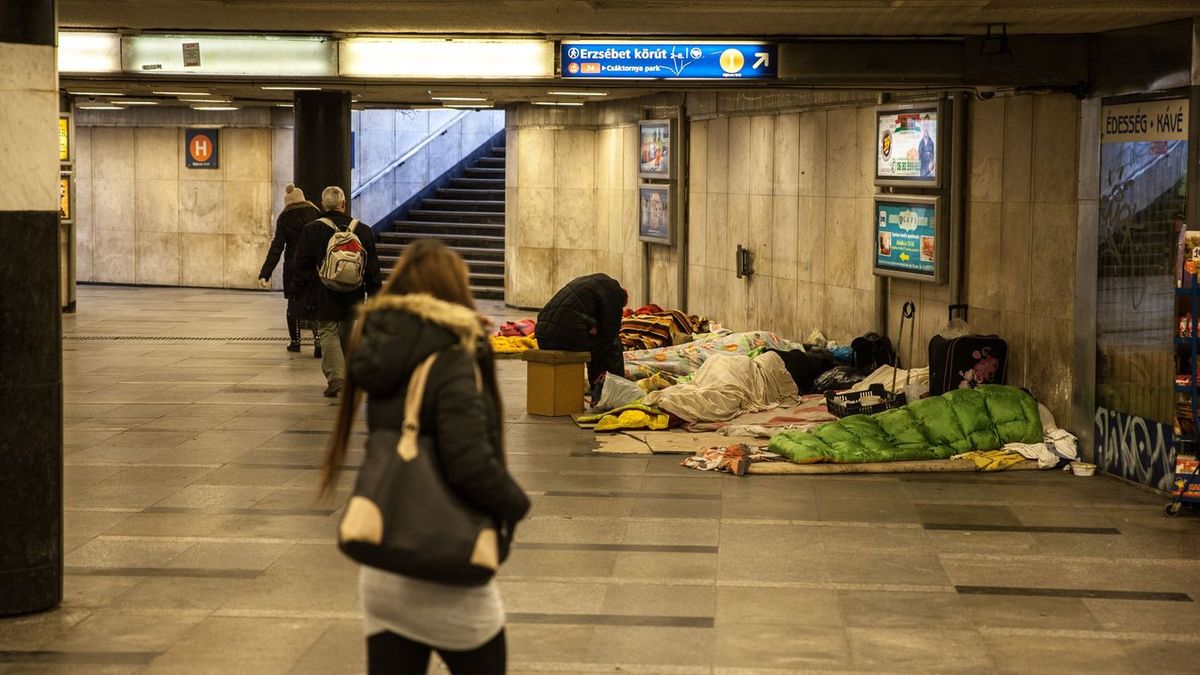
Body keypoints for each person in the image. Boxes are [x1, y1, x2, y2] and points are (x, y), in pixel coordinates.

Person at [321, 239, 530, 675]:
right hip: (445, 564)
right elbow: (469, 463)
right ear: (453, 291)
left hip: (384, 569)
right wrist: (516, 504)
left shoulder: (383, 349)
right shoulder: (451, 359)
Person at [291, 185, 383, 397]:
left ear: (323, 204)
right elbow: (372, 268)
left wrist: (296, 292)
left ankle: (337, 380)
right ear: (344, 204)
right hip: (354, 292)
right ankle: (348, 377)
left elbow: (302, 265)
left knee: (327, 331)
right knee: (347, 331)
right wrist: (376, 294)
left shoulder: (312, 229)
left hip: (324, 291)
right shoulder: (363, 230)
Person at [258, 183, 321, 355]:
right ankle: (318, 343)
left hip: (293, 267)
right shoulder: (315, 213)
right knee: (315, 303)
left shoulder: (284, 218)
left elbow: (276, 248)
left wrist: (266, 273)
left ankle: (295, 342)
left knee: (292, 304)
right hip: (314, 266)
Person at [535, 273, 627, 387]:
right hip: (562, 339)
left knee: (596, 343)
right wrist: (595, 327)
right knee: (611, 343)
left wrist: (591, 325)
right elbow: (610, 330)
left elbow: (572, 313)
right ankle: (613, 389)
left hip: (542, 336)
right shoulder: (612, 295)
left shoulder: (590, 283)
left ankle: (600, 388)